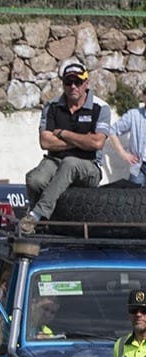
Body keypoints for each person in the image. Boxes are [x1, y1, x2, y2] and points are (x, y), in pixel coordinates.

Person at [19, 63, 110, 235]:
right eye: (68, 82)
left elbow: (97, 143)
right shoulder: (52, 106)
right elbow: (45, 142)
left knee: (70, 163)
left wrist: (64, 133)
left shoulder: (101, 107)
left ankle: (36, 216)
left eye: (78, 81)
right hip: (55, 160)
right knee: (34, 179)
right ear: (63, 84)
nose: (73, 86)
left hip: (89, 165)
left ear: (86, 83)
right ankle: (48, 221)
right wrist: (83, 140)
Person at [108, 85, 146, 187]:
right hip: (138, 167)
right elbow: (112, 131)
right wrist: (124, 154)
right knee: (134, 199)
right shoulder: (133, 115)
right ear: (143, 96)